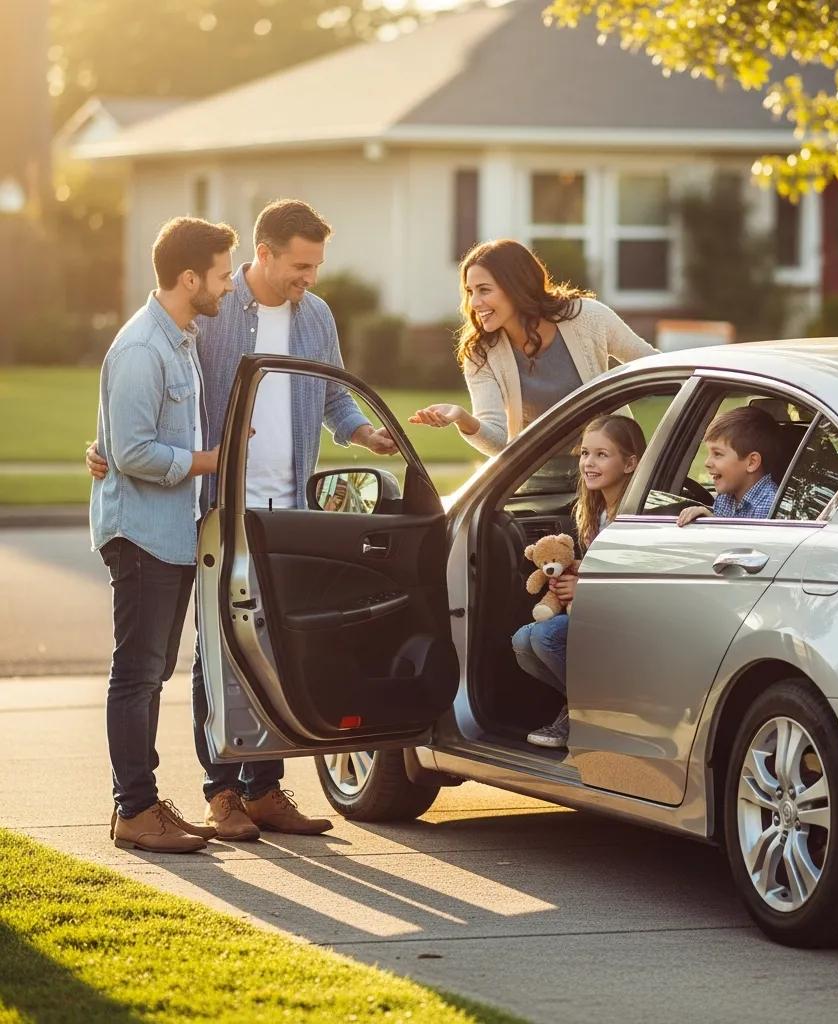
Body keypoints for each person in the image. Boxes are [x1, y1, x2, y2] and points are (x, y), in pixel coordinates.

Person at [87, 199, 397, 842]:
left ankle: (265, 790)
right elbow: (151, 390)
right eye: (300, 264)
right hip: (217, 507)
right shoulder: (215, 311)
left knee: (275, 651)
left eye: (316, 265)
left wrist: (364, 434)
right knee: (216, 655)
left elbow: (334, 393)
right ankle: (221, 792)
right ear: (267, 252)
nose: (308, 277)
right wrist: (109, 450)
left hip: (290, 509)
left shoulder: (316, 316)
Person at [92, 216, 238, 853]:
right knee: (139, 674)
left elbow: (116, 440)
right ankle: (134, 810)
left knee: (151, 673)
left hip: (172, 533)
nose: (228, 286)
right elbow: (131, 451)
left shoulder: (180, 336)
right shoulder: (142, 347)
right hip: (143, 536)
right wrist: (209, 460)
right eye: (222, 274)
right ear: (189, 278)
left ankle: (146, 801)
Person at [408, 239, 657, 455]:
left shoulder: (587, 317)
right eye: (470, 291)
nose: (474, 302)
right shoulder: (480, 352)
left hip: (610, 472)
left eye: (484, 290)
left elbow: (655, 366)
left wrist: (695, 421)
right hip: (539, 480)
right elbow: (499, 441)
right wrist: (462, 418)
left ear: (516, 286)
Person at [512, 415, 647, 749]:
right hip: (593, 611)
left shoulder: (636, 513)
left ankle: (584, 710)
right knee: (523, 641)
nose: (589, 462)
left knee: (544, 636)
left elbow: (635, 577)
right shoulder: (597, 510)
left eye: (602, 455)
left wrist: (584, 589)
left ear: (630, 463)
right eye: (585, 453)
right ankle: (584, 706)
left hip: (624, 619)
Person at [675, 406, 779, 527]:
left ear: (751, 462)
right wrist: (708, 516)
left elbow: (747, 544)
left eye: (717, 454)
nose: (707, 463)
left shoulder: (768, 507)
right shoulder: (726, 496)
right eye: (709, 453)